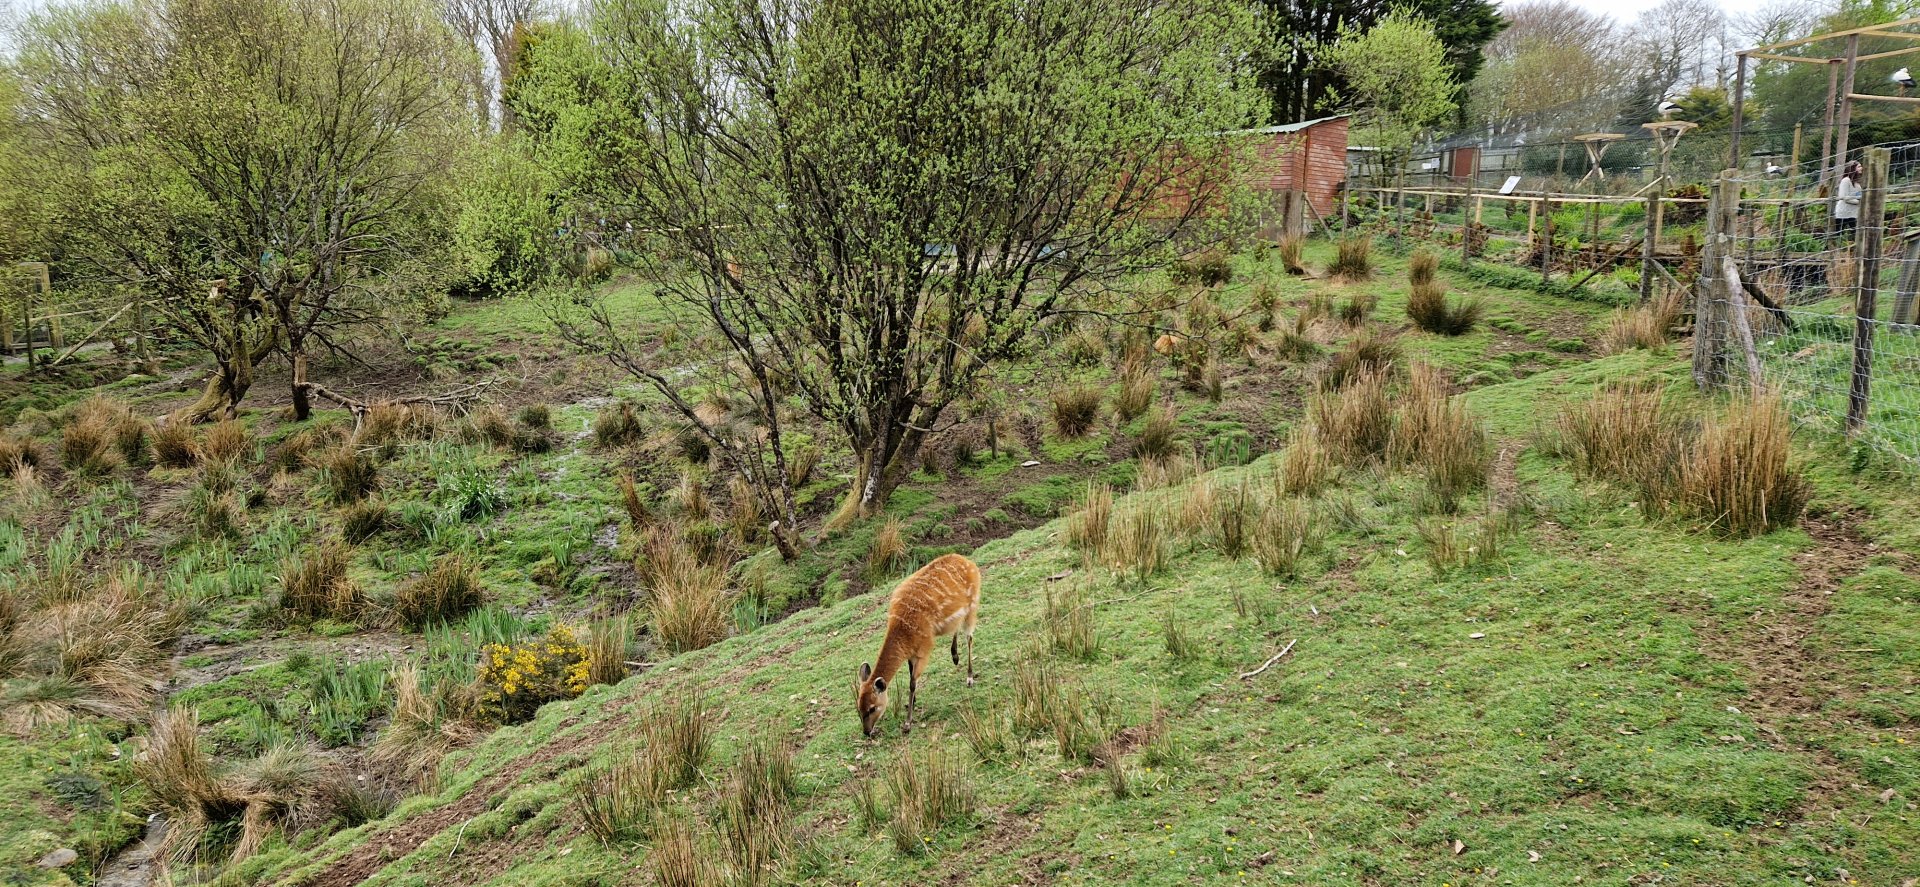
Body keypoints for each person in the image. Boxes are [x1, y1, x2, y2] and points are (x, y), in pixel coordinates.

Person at [1835, 161, 1863, 235]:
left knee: (1855, 234)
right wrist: (1858, 202)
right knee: (1838, 234)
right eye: (1859, 167)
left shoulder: (1857, 184)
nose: (1861, 168)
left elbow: (1859, 195)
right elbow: (1844, 197)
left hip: (1853, 213)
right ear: (1853, 169)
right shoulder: (1845, 181)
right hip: (1843, 213)